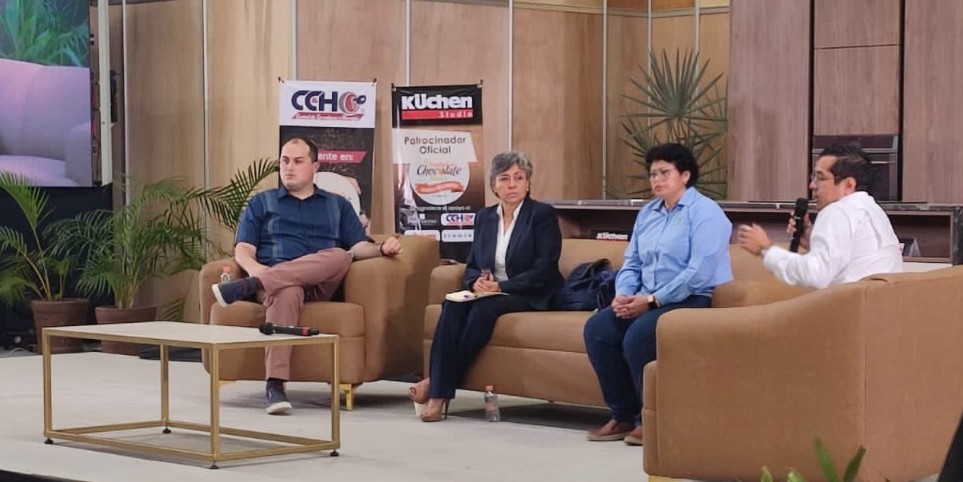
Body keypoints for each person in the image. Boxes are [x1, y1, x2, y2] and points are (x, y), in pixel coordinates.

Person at [212, 136, 402, 414]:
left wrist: (381, 249)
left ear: (315, 166)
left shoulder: (337, 205)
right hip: (276, 282)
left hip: (320, 283)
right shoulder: (262, 203)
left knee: (340, 255)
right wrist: (255, 269)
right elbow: (243, 249)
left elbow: (358, 247)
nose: (289, 167)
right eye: (284, 161)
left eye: (298, 161)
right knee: (287, 289)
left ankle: (249, 286)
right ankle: (275, 385)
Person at [583, 143, 732, 446]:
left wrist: (652, 300)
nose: (657, 179)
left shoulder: (706, 213)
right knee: (598, 329)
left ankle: (650, 420)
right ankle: (623, 414)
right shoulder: (648, 213)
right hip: (645, 299)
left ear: (685, 175)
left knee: (639, 335)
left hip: (693, 300)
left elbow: (698, 272)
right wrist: (623, 295)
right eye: (652, 174)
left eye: (665, 172)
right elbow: (632, 262)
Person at [408, 151, 562, 423]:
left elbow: (545, 268)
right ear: (494, 185)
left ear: (528, 183)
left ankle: (437, 391)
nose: (512, 185)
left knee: (483, 310)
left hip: (529, 292)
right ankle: (438, 385)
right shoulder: (485, 217)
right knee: (452, 305)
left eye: (518, 178)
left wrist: (501, 286)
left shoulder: (541, 215)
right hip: (489, 291)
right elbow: (472, 264)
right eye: (504, 179)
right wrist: (474, 281)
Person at [736, 143, 902, 288]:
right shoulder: (875, 211)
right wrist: (812, 241)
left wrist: (765, 249)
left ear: (848, 184)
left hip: (847, 310)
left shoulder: (837, 211)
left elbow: (816, 275)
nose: (812, 185)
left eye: (820, 178)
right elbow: (852, 262)